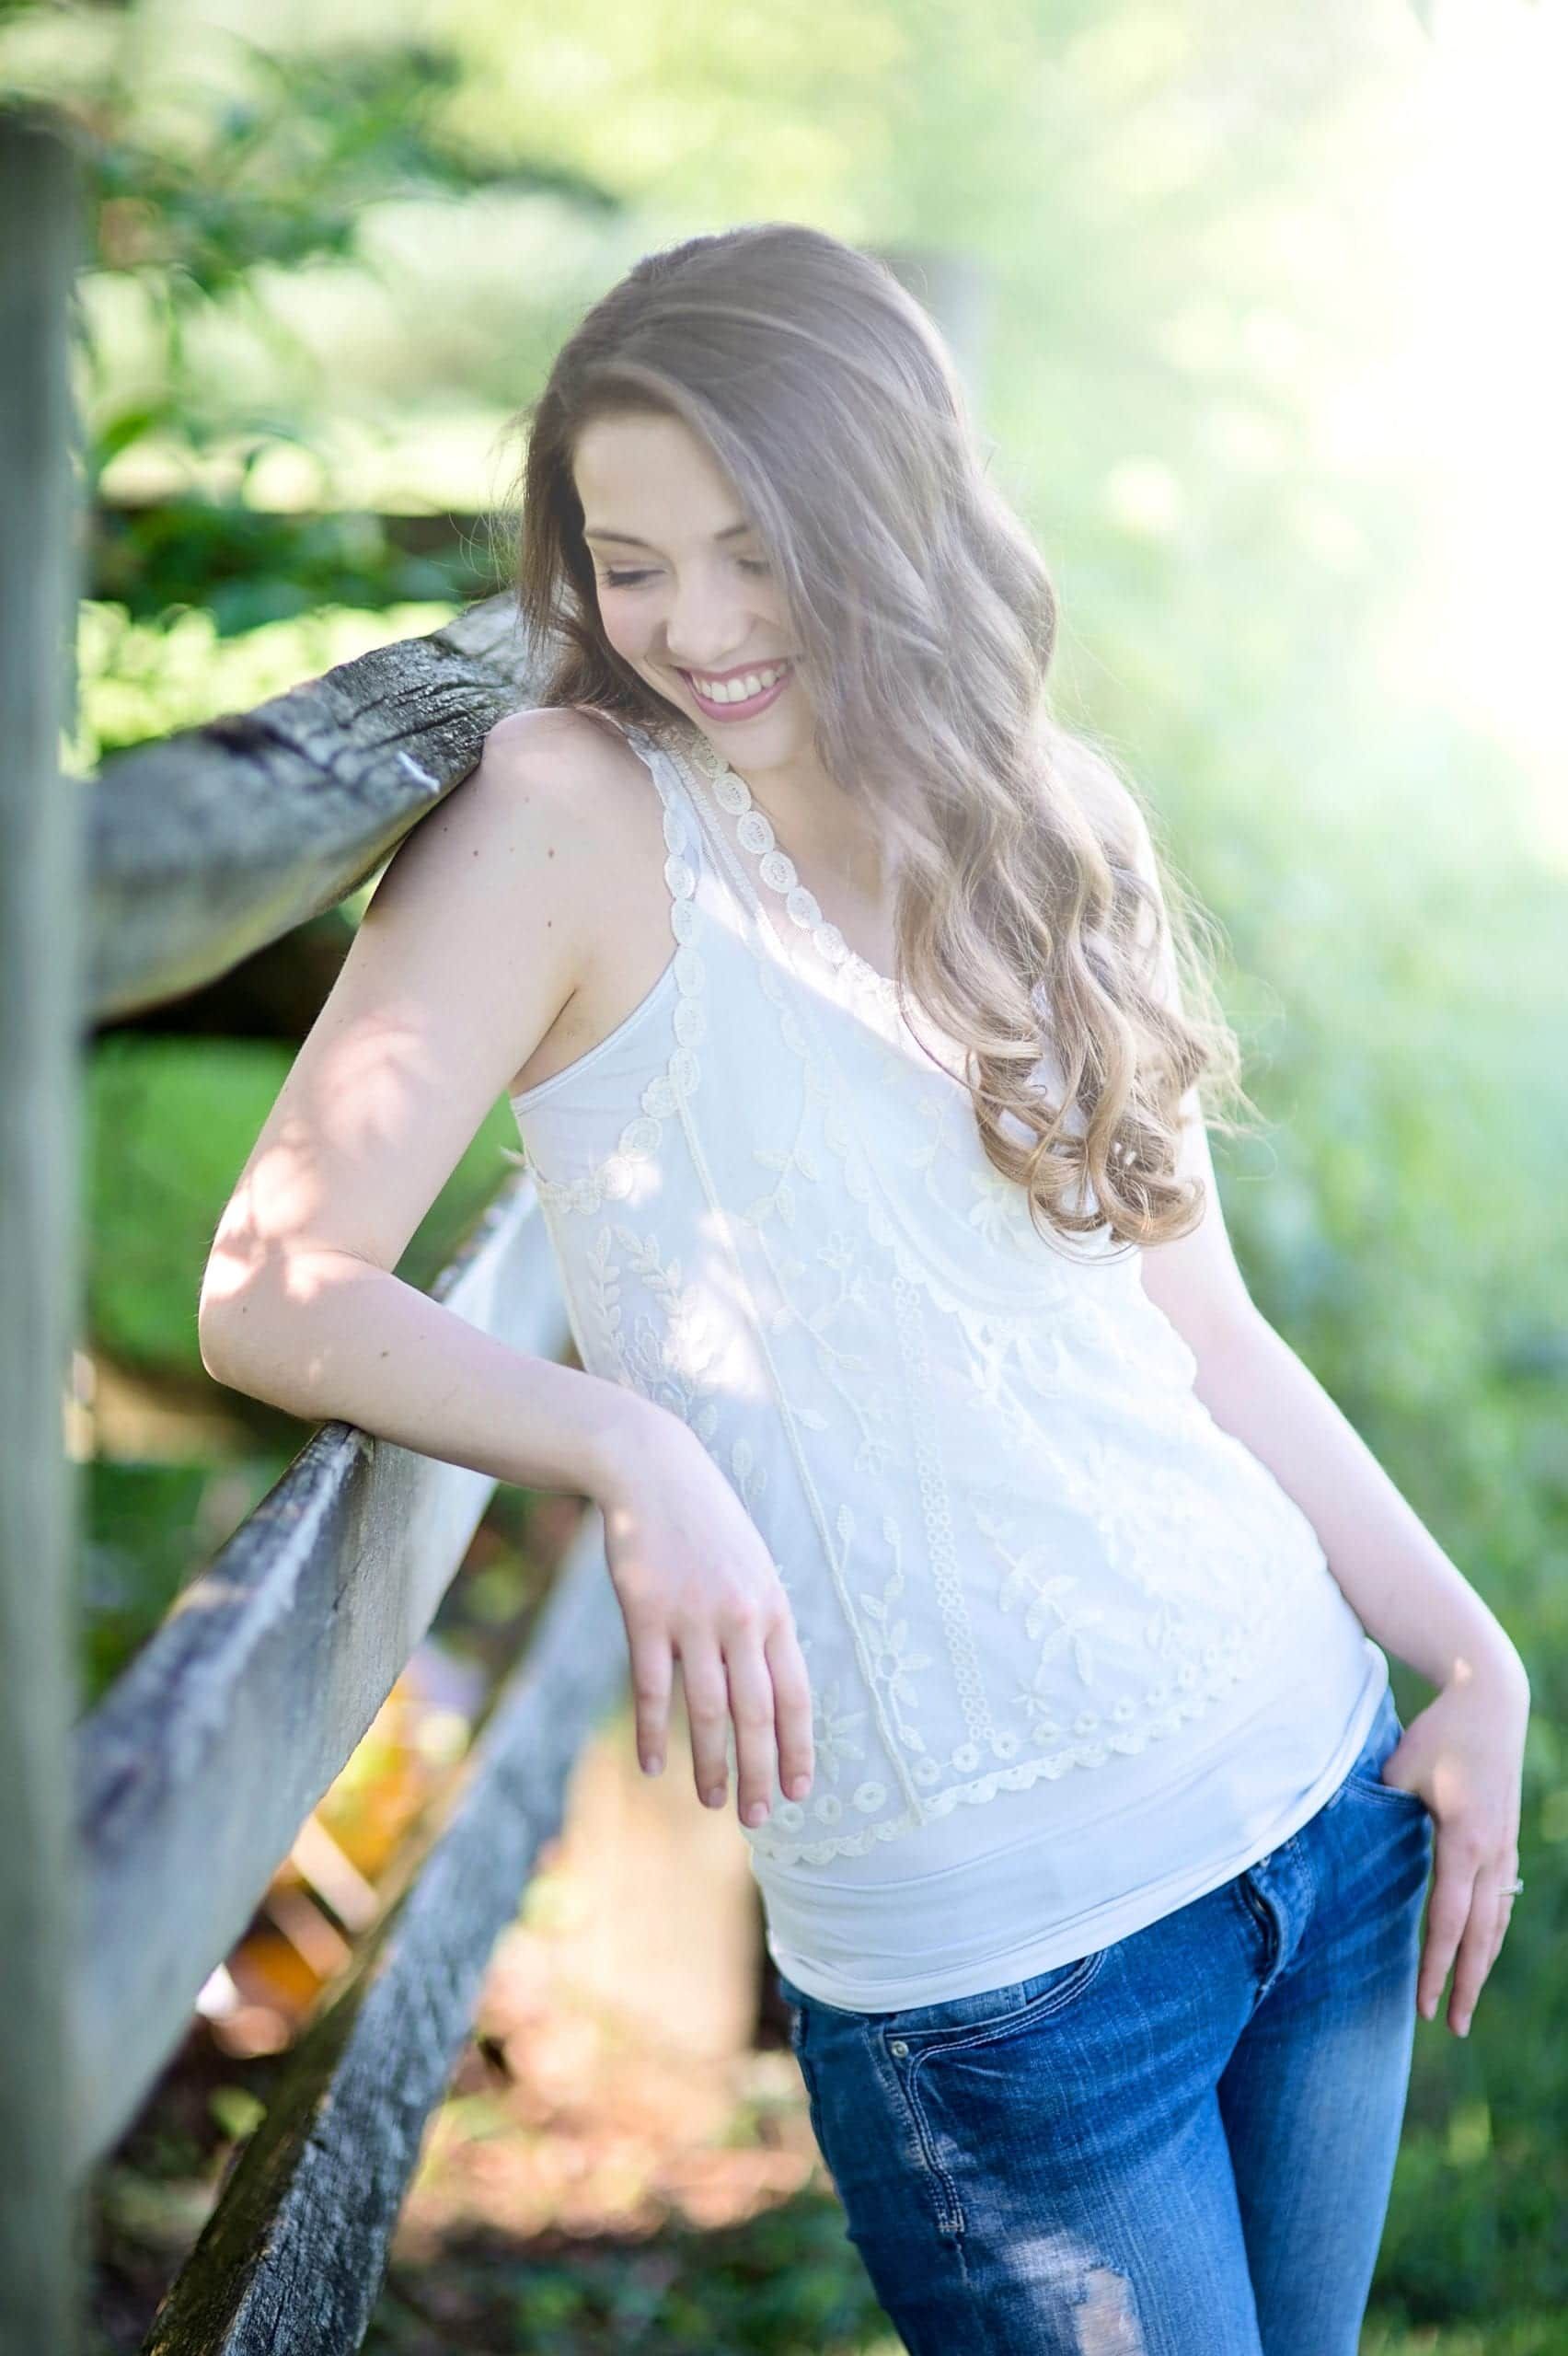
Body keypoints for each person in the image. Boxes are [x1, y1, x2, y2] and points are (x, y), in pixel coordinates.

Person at [197, 223, 1529, 2355]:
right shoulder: (570, 817)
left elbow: (1202, 1336)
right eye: (628, 559)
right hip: (1002, 1986)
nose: (695, 625)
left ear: (889, 519)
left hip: (1317, 1804)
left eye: (754, 549)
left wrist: (1473, 1653)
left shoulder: (1038, 815)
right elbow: (270, 1281)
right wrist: (628, 1442)